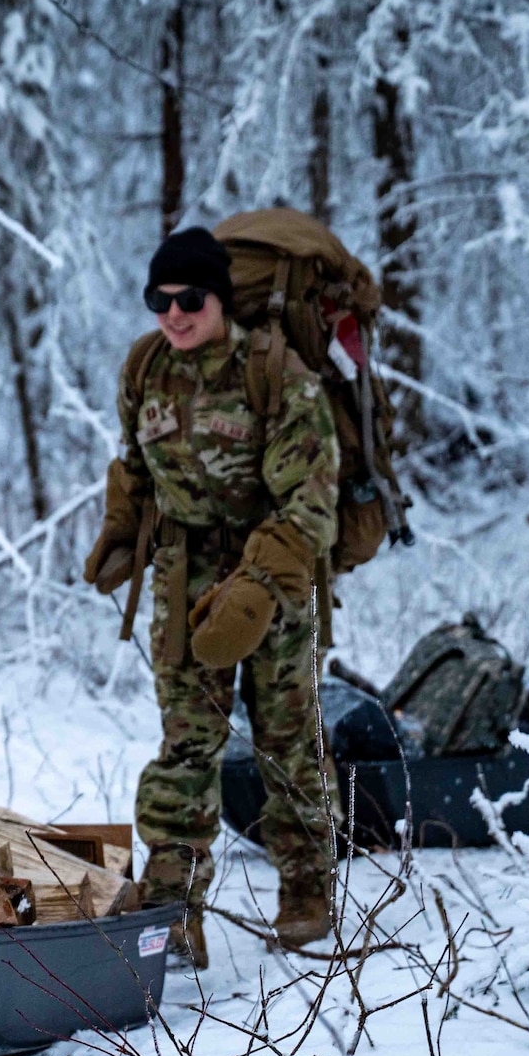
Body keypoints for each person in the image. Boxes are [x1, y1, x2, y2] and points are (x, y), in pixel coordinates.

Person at [84, 227, 341, 969]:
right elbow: (136, 464)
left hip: (271, 577)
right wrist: (120, 529)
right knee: (187, 743)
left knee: (286, 739)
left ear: (220, 298)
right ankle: (176, 909)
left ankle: (306, 886)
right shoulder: (147, 368)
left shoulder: (276, 374)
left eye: (189, 298)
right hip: (182, 576)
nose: (174, 313)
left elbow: (310, 503)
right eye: (158, 299)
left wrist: (257, 587)